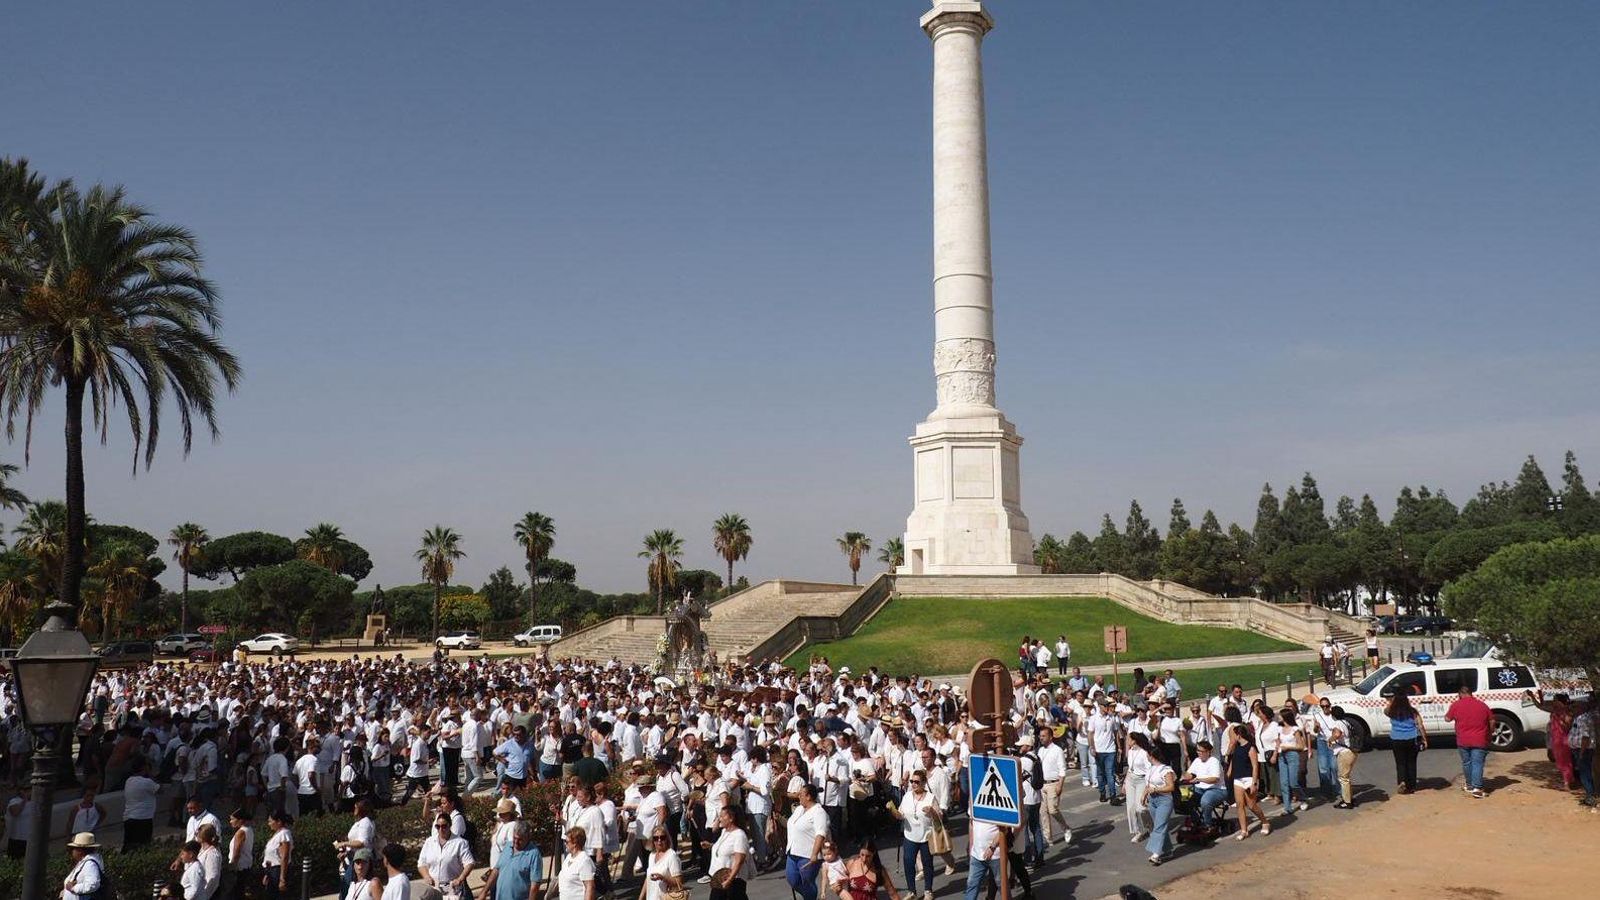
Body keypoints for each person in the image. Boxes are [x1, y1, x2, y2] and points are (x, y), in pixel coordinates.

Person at [889, 768, 938, 900]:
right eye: (912, 781)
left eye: (916, 782)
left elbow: (940, 816)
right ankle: (912, 891)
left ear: (923, 782)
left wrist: (932, 811)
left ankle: (928, 890)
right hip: (910, 836)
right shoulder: (907, 796)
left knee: (927, 864)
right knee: (909, 862)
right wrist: (893, 810)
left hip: (926, 836)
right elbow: (901, 815)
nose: (913, 784)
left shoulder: (930, 797)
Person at [1223, 720, 1269, 840]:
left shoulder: (1250, 748)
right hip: (1238, 778)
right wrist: (1229, 771)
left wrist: (1254, 782)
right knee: (1239, 805)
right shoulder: (1236, 747)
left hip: (1248, 778)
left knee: (1252, 805)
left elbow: (1255, 766)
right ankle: (1244, 830)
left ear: (1239, 735)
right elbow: (1234, 759)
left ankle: (1264, 821)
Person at [1445, 683, 1493, 798]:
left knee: (1467, 763)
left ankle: (1470, 785)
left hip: (1463, 740)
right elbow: (1491, 721)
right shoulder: (1482, 705)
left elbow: (1447, 719)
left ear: (1461, 694)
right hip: (1480, 739)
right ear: (1471, 693)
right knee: (1477, 763)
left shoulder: (1456, 705)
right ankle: (1477, 788)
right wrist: (1490, 733)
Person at [417, 812, 476, 899]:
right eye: (438, 826)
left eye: (444, 826)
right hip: (433, 887)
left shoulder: (460, 843)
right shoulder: (429, 842)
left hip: (452, 889)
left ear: (450, 825)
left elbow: (469, 863)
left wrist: (460, 878)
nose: (441, 829)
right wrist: (426, 876)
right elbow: (421, 863)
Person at [786, 783, 829, 900]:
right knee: (792, 880)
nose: (798, 796)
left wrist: (814, 854)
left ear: (809, 796)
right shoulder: (799, 809)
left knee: (807, 882)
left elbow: (820, 834)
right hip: (793, 851)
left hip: (807, 854)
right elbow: (793, 825)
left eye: (801, 795)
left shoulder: (819, 812)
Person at [1528, 690, 1576, 791]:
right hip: (1556, 739)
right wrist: (1532, 697)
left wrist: (1560, 718)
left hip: (1563, 740)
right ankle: (1570, 780)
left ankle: (1567, 783)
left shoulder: (1566, 712)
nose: (1553, 702)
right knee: (1561, 761)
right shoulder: (1555, 711)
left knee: (1564, 762)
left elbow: (1567, 727)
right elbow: (1540, 706)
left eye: (1555, 700)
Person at [483, 820, 544, 900]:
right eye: (514, 838)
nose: (516, 842)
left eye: (520, 839)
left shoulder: (534, 855)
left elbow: (535, 885)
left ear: (528, 838)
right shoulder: (508, 846)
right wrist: (484, 892)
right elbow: (496, 870)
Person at [707, 804, 755, 900]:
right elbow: (726, 850)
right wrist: (710, 846)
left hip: (733, 881)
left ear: (731, 818)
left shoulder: (739, 835)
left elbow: (739, 860)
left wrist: (729, 880)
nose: (719, 819)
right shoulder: (724, 832)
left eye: (722, 816)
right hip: (720, 879)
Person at [1385, 691, 1428, 795]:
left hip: (1396, 739)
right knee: (1411, 763)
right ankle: (1411, 786)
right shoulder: (1413, 711)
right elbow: (1420, 725)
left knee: (1400, 763)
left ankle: (1402, 781)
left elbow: (1385, 710)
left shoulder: (1391, 711)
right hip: (1411, 738)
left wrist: (1391, 702)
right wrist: (1424, 739)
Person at [1140, 753, 1176, 866]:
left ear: (1152, 756)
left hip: (1164, 800)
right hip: (1153, 800)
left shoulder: (1166, 770)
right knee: (1159, 825)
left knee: (1159, 827)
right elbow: (1148, 785)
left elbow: (1171, 786)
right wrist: (1144, 795)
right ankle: (1168, 850)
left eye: (1148, 755)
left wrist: (1156, 789)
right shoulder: (1150, 769)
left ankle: (1156, 854)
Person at [1182, 740, 1227, 828]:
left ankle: (1207, 824)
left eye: (1201, 751)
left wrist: (1199, 779)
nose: (1199, 753)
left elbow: (1214, 779)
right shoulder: (1197, 760)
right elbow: (1190, 774)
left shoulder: (1214, 761)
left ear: (1208, 752)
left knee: (1205, 801)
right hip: (1199, 788)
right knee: (1184, 796)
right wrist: (1184, 777)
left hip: (1216, 789)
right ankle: (1196, 820)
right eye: (1198, 751)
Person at [1275, 708, 1309, 812]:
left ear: (1285, 717)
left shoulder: (1295, 729)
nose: (1278, 717)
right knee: (1284, 782)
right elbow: (1278, 741)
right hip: (1282, 756)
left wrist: (1289, 747)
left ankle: (1303, 798)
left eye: (1280, 716)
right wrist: (1278, 747)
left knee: (1293, 782)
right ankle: (1287, 807)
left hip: (1292, 755)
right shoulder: (1279, 729)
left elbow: (1301, 746)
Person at [123, 759, 161, 850]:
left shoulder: (129, 780)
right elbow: (160, 789)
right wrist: (151, 775)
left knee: (128, 845)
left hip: (129, 817)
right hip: (143, 818)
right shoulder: (147, 782)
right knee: (143, 846)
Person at [962, 818, 1001, 900]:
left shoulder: (998, 806)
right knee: (971, 885)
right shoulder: (973, 805)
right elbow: (971, 823)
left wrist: (992, 847)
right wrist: (971, 847)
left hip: (996, 855)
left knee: (1002, 885)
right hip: (976, 854)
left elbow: (1005, 828)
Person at [62, 832, 107, 900]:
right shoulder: (83, 862)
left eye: (73, 848)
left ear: (80, 850)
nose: (72, 851)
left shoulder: (90, 864)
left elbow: (92, 884)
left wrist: (73, 888)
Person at [1570, 700, 1598, 807]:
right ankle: (1589, 795)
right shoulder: (1579, 718)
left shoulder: (1583, 719)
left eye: (1575, 707)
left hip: (1583, 750)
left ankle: (1590, 797)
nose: (1572, 709)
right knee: (1585, 772)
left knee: (1585, 774)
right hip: (1581, 749)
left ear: (1582, 708)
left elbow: (1585, 737)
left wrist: (1581, 753)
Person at [643, 826, 683, 900]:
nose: (659, 841)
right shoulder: (651, 855)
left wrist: (663, 878)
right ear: (652, 841)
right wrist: (641, 897)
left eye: (662, 838)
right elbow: (647, 879)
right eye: (655, 838)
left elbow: (679, 883)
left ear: (667, 839)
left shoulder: (672, 855)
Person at [557, 827, 596, 900]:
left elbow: (590, 887)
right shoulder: (568, 858)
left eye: (567, 841)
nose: (565, 844)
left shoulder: (584, 861)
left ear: (575, 843)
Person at [261, 811, 294, 900]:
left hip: (278, 870)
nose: (269, 824)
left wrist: (282, 878)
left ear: (278, 821)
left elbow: (284, 857)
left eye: (271, 821)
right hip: (271, 870)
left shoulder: (284, 834)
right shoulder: (276, 834)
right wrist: (267, 873)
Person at [226, 809, 254, 900]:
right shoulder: (249, 830)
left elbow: (237, 852)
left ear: (240, 820)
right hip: (246, 866)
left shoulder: (241, 832)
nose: (231, 822)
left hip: (238, 868)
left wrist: (232, 866)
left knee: (235, 894)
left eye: (232, 819)